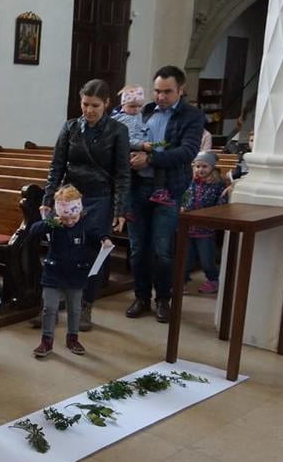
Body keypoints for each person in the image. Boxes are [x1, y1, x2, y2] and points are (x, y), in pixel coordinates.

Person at [42, 79, 129, 331]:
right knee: (61, 247)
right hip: (71, 197)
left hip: (100, 197)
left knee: (91, 252)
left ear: (107, 104)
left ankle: (84, 305)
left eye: (95, 105)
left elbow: (123, 173)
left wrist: (120, 209)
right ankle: (53, 302)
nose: (89, 110)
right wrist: (48, 199)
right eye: (85, 104)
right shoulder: (70, 127)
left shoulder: (118, 130)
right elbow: (57, 166)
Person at [126, 65, 206, 322]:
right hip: (137, 188)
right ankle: (141, 297)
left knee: (162, 250)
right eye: (157, 91)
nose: (160, 97)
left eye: (167, 92)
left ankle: (163, 299)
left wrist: (150, 159)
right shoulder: (146, 111)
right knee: (137, 249)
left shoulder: (192, 116)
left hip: (168, 190)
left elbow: (187, 152)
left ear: (180, 90)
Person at [28, 186, 110, 358]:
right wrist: (50, 222)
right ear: (59, 214)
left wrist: (105, 239)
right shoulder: (54, 222)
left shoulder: (85, 222)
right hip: (53, 272)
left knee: (74, 309)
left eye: (73, 217)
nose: (70, 222)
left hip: (76, 273)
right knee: (49, 308)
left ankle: (73, 338)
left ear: (79, 211)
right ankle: (46, 341)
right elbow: (34, 230)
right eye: (66, 218)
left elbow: (97, 233)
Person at [182, 151, 230, 294]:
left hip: (206, 229)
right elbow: (184, 197)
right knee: (185, 258)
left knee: (206, 259)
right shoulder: (190, 182)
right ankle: (181, 281)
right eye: (197, 166)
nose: (200, 170)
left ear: (212, 168)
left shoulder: (217, 185)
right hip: (188, 226)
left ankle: (213, 280)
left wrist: (213, 215)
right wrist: (182, 206)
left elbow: (221, 204)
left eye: (204, 166)